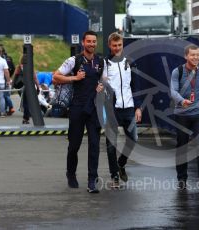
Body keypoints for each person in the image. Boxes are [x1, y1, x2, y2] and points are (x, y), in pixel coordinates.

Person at [53, 30, 105, 193]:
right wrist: (73, 78)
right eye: (89, 41)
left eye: (94, 41)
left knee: (95, 145)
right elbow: (55, 77)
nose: (92, 44)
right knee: (74, 145)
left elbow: (104, 81)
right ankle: (71, 173)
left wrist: (102, 87)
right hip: (77, 107)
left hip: (94, 107)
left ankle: (92, 181)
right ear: (83, 42)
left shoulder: (100, 61)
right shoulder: (73, 60)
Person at [170, 44, 199, 190]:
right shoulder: (178, 71)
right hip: (182, 115)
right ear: (186, 56)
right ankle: (182, 178)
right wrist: (181, 101)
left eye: (198, 55)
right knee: (182, 146)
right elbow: (173, 91)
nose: (195, 58)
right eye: (192, 55)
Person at [103, 32, 142, 187]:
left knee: (133, 139)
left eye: (119, 45)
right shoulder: (104, 63)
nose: (117, 48)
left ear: (122, 45)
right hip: (112, 109)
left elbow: (136, 86)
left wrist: (138, 107)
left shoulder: (130, 62)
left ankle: (121, 163)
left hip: (129, 107)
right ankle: (114, 177)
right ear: (109, 46)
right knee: (111, 144)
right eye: (114, 45)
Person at [13, 56, 40, 124]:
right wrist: (38, 87)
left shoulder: (19, 67)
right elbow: (35, 78)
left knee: (25, 102)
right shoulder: (30, 66)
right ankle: (27, 117)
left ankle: (26, 117)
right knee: (29, 102)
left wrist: (12, 86)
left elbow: (15, 76)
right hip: (30, 86)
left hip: (22, 86)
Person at [0, 44, 15, 115]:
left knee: (4, 95)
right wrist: (10, 76)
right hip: (7, 77)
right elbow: (13, 68)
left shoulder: (1, 58)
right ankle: (5, 109)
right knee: (5, 94)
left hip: (2, 78)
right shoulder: (9, 58)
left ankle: (10, 107)